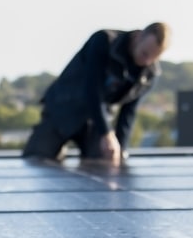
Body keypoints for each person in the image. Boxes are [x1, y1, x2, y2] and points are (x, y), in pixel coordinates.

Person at [22, 22, 169, 165]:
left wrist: (120, 149)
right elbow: (92, 89)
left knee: (106, 162)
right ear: (138, 36)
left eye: (152, 58)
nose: (146, 61)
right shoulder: (104, 40)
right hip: (63, 108)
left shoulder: (149, 74)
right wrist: (106, 132)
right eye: (144, 54)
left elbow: (128, 113)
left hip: (96, 121)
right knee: (36, 160)